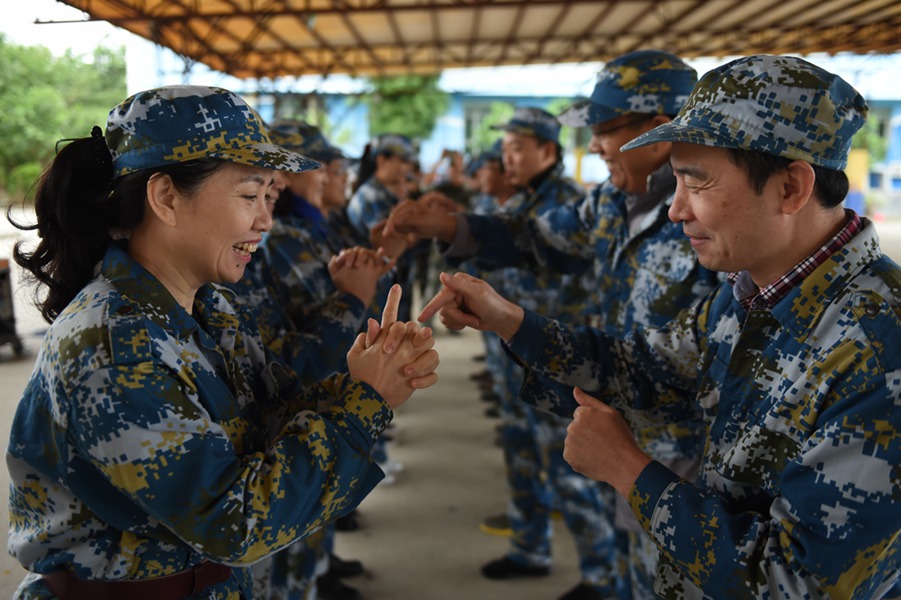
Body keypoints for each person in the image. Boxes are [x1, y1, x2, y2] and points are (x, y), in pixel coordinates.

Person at [420, 55, 901, 599]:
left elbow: (796, 581)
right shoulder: (748, 296)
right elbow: (641, 365)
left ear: (790, 188)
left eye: (696, 182)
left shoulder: (878, 348)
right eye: (675, 181)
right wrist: (508, 320)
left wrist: (630, 471)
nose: (676, 211)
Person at [6, 85, 439, 600]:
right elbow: (233, 523)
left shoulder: (211, 308)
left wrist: (366, 379)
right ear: (166, 198)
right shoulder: (115, 346)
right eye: (249, 196)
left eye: (268, 197)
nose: (265, 221)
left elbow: (271, 422)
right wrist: (366, 403)